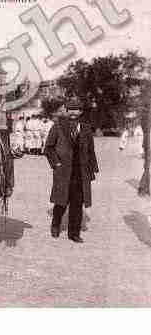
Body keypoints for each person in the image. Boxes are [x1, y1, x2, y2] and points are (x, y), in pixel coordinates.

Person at [44, 99, 99, 243]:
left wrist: (93, 168)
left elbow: (90, 150)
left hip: (81, 172)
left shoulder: (86, 128)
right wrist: (56, 163)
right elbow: (48, 148)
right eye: (71, 109)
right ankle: (55, 225)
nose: (74, 112)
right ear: (66, 111)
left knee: (77, 203)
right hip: (63, 171)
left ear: (81, 112)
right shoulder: (58, 126)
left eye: (77, 109)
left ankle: (74, 233)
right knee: (61, 201)